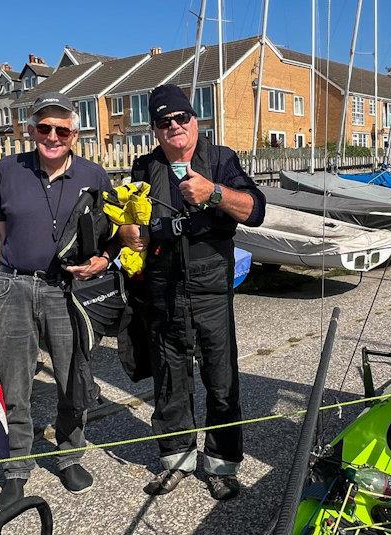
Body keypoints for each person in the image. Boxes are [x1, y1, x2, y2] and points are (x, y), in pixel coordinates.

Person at [119, 84, 265, 501]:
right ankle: (176, 459)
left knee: (221, 380)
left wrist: (214, 193)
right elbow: (131, 222)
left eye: (182, 118)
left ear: (195, 120)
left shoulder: (220, 159)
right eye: (165, 122)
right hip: (163, 289)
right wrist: (129, 233)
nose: (175, 128)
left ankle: (222, 464)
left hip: (210, 288)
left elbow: (256, 209)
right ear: (155, 129)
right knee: (170, 379)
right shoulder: (144, 167)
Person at [0, 92, 113, 511]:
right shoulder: (7, 170)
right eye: (44, 128)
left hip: (66, 292)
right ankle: (17, 468)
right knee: (15, 382)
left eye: (61, 129)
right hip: (14, 288)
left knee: (74, 377)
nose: (52, 136)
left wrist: (102, 261)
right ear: (31, 130)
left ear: (75, 133)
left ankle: (70, 454)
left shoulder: (94, 175)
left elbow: (111, 236)